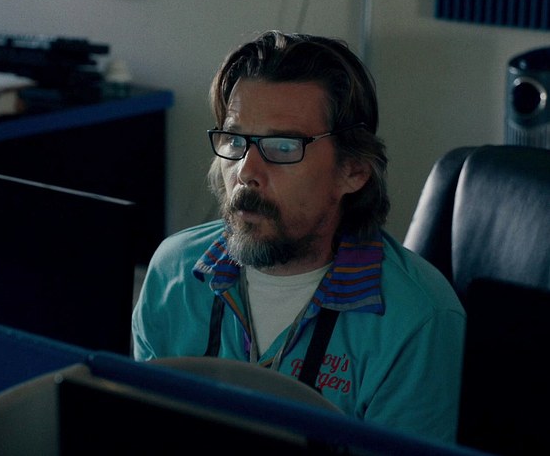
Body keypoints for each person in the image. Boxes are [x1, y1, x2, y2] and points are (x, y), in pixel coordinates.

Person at [131, 30, 466, 444]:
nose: (246, 171)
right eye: (235, 140)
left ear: (353, 171)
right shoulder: (175, 273)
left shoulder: (417, 319)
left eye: (284, 147)